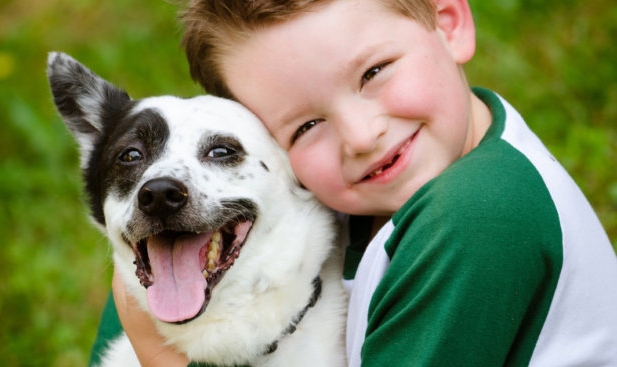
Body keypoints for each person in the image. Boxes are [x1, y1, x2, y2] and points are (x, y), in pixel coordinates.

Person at [89, 0, 617, 366]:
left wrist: (161, 356)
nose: (361, 137)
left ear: (449, 21)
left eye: (374, 72)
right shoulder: (365, 190)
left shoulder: (476, 216)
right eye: (307, 126)